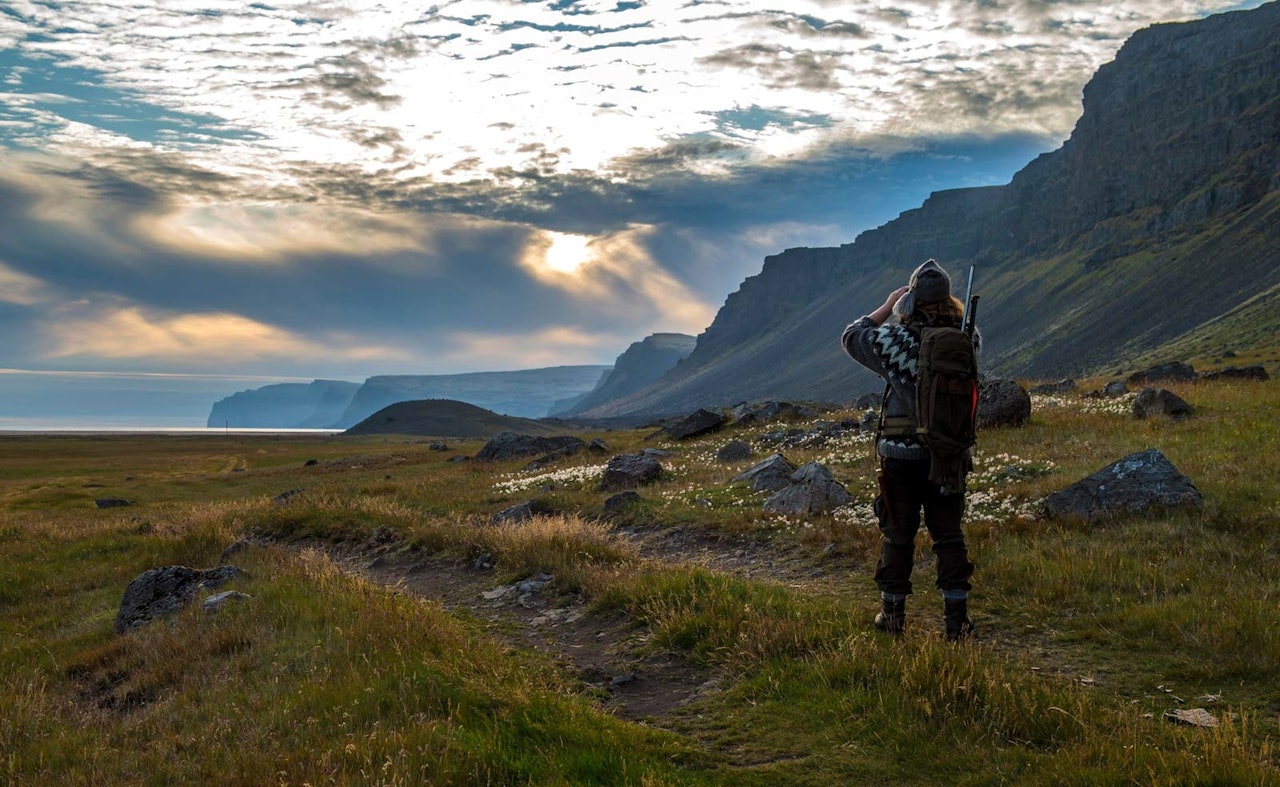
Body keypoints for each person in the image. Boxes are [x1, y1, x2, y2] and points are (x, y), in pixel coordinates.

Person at [840, 259, 976, 641]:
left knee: (898, 535)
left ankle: (893, 616)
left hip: (899, 458)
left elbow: (853, 336)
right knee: (948, 535)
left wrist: (887, 306)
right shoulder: (966, 339)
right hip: (948, 455)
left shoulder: (893, 342)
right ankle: (956, 621)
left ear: (911, 300)